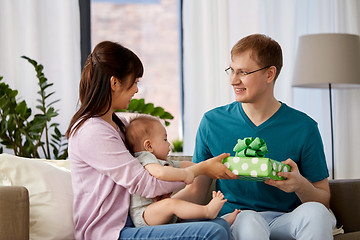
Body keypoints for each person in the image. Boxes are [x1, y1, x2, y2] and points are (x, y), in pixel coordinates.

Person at [66, 40, 238, 240]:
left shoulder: (119, 125)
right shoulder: (91, 132)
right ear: (114, 83)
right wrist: (200, 170)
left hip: (133, 222)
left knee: (219, 223)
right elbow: (147, 184)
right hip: (111, 233)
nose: (137, 90)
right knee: (214, 231)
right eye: (135, 82)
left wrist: (204, 167)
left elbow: (154, 161)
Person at [192, 34, 336, 240]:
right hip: (238, 218)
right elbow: (197, 192)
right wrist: (159, 205)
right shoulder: (212, 122)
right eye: (231, 70)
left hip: (287, 219)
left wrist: (299, 185)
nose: (233, 80)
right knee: (249, 220)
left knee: (317, 213)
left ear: (270, 74)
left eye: (243, 72)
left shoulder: (304, 127)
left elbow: (324, 201)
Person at [125, 115, 240, 227]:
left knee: (183, 210)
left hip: (159, 210)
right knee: (172, 204)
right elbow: (161, 173)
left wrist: (207, 168)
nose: (169, 143)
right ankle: (207, 211)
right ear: (148, 146)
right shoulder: (144, 158)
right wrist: (186, 175)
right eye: (164, 139)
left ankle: (221, 222)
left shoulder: (162, 161)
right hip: (145, 215)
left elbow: (186, 165)